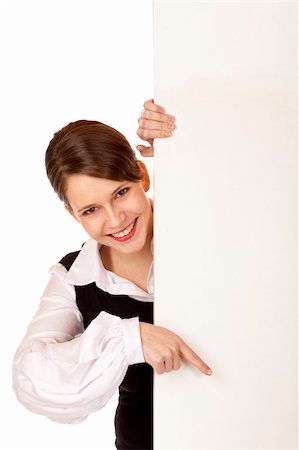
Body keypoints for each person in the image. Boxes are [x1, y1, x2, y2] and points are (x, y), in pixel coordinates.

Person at [12, 99, 212, 450]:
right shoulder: (74, 277)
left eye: (121, 192)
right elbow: (31, 378)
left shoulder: (201, 221)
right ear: (74, 215)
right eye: (91, 210)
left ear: (143, 174)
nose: (116, 219)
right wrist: (130, 338)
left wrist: (190, 129)